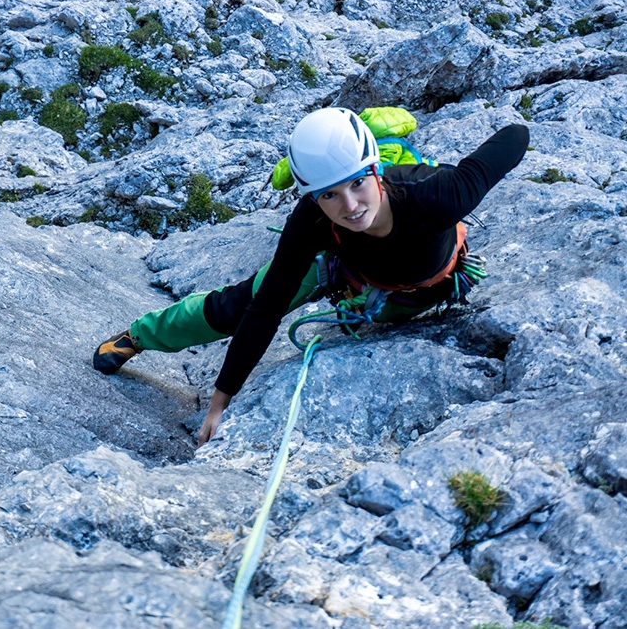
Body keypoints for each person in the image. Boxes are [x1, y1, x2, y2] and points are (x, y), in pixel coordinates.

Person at [93, 107, 529, 447]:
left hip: (418, 293)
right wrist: (219, 402)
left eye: (358, 183)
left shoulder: (436, 196)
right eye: (329, 195)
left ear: (376, 169)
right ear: (313, 198)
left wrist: (481, 161)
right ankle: (139, 335)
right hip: (345, 271)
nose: (350, 205)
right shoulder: (313, 221)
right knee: (238, 305)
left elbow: (515, 136)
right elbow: (265, 309)